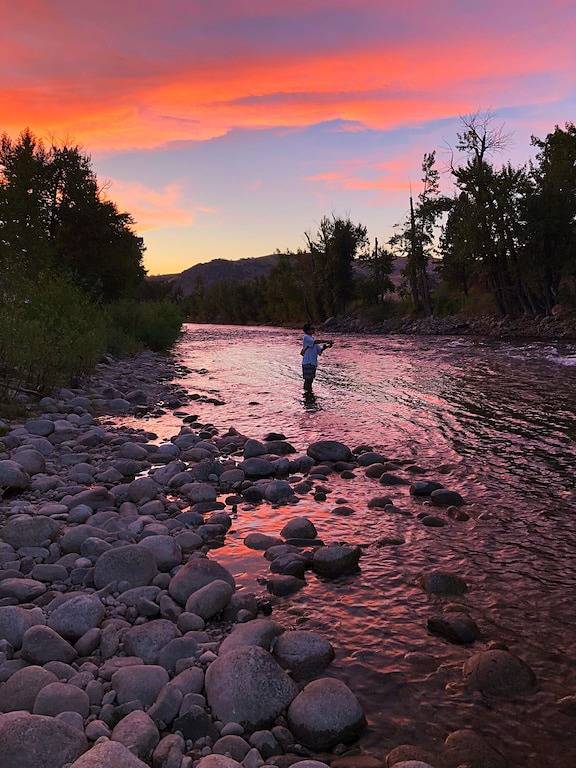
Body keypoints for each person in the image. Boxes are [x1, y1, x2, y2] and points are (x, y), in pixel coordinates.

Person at [300, 323, 333, 393]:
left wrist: (326, 346)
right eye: (312, 329)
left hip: (313, 363)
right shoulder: (306, 337)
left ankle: (308, 395)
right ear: (307, 330)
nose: (314, 330)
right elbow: (315, 342)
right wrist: (327, 341)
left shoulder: (312, 339)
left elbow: (319, 351)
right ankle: (306, 396)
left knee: (310, 380)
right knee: (307, 381)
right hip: (307, 362)